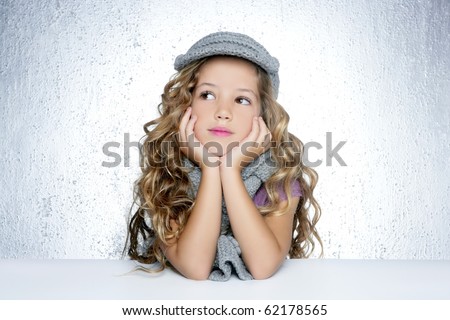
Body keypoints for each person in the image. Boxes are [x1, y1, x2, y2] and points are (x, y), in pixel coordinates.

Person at [126, 31, 322, 281]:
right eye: (207, 95)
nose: (223, 111)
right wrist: (209, 167)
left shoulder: (278, 180)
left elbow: (263, 266)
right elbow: (195, 267)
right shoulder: (169, 174)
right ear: (186, 104)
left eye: (241, 99)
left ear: (262, 116)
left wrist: (229, 169)